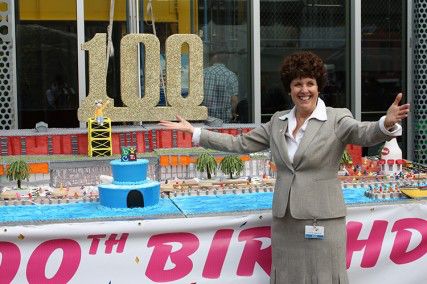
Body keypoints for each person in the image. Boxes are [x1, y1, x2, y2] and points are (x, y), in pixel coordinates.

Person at [159, 51, 410, 283]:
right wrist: (196, 133)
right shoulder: (278, 121)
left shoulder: (336, 118)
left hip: (322, 219)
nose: (304, 90)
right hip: (286, 222)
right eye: (297, 84)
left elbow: (362, 133)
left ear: (318, 86)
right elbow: (239, 143)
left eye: (310, 83)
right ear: (289, 88)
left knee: (324, 277)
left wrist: (384, 125)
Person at [203, 52, 239, 122]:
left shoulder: (203, 73)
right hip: (224, 120)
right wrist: (233, 112)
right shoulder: (231, 75)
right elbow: (234, 100)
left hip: (206, 119)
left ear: (215, 57)